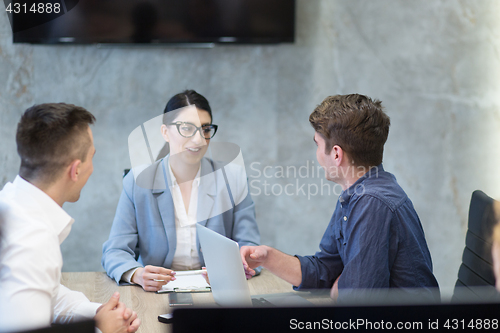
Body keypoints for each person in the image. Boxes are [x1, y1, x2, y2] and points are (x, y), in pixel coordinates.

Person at [241, 94, 439, 301]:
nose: (317, 154)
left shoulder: (372, 203)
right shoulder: (356, 194)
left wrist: (340, 287)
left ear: (336, 154)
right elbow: (326, 270)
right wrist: (267, 257)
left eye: (317, 144)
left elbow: (356, 299)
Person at [0, 103, 141, 333]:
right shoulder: (32, 240)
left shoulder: (11, 201)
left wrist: (96, 314)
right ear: (75, 170)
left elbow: (48, 292)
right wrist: (101, 330)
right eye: (91, 158)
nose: (92, 169)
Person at [102, 90, 260, 291]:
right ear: (165, 132)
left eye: (205, 129)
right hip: (156, 292)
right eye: (187, 128)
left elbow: (251, 248)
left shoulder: (233, 179)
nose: (199, 140)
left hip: (220, 289)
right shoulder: (137, 181)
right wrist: (137, 274)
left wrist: (234, 268)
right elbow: (115, 251)